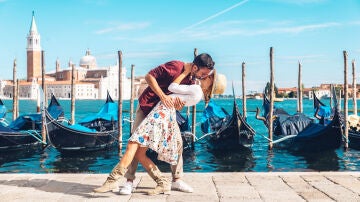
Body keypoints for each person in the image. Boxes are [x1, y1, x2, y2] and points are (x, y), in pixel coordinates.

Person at [93, 53, 215, 195]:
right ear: (194, 67)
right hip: (147, 106)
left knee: (178, 143)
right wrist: (162, 96)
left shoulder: (191, 80)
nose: (202, 77)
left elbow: (178, 100)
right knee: (135, 141)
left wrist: (178, 105)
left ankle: (176, 180)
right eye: (202, 73)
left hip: (163, 113)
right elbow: (149, 77)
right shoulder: (175, 66)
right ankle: (129, 181)